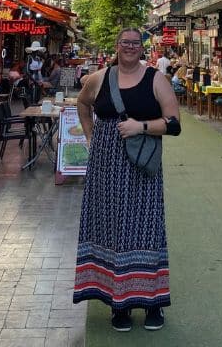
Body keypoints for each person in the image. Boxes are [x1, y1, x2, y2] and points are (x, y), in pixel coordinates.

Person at [74, 28, 181, 333]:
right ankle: (117, 303)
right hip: (105, 168)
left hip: (142, 167)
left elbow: (174, 124)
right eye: (125, 43)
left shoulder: (155, 79)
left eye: (136, 43)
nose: (130, 47)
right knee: (110, 230)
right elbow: (83, 104)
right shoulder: (99, 78)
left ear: (142, 47)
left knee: (145, 229)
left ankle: (152, 303)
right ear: (117, 45)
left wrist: (141, 126)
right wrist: (90, 137)